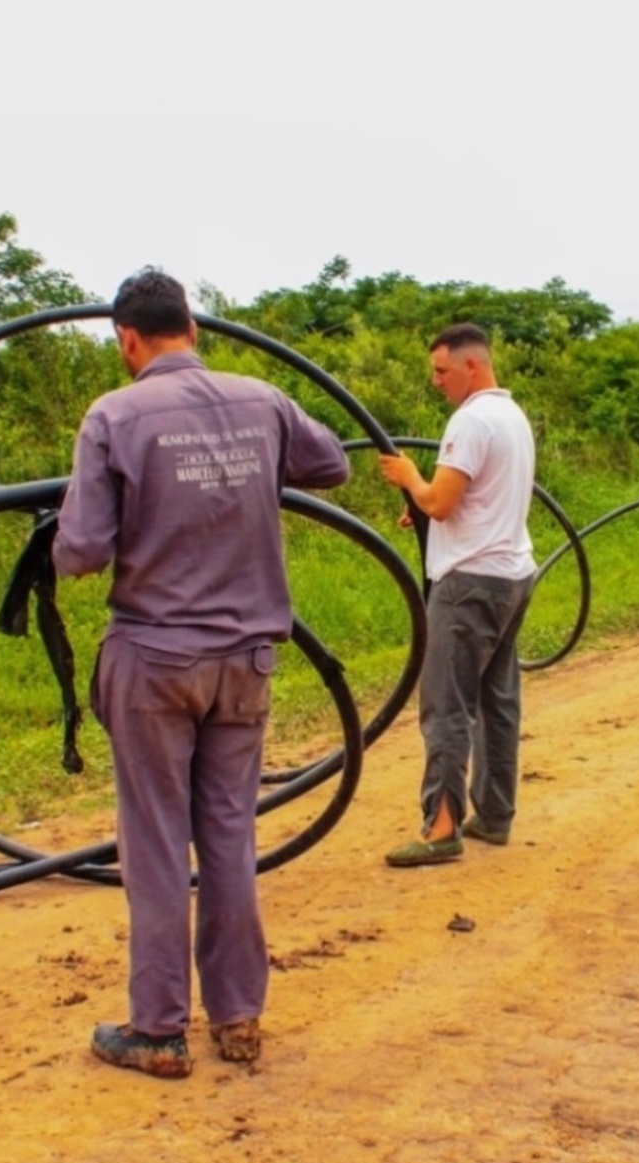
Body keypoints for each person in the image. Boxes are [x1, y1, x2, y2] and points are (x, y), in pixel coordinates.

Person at [52, 269, 351, 1078]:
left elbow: (80, 550)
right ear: (193, 326)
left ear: (127, 338)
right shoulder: (261, 399)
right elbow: (334, 469)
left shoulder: (114, 414)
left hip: (154, 660)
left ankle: (157, 1030)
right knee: (228, 835)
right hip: (246, 662)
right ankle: (239, 1018)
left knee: (153, 846)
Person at [377, 323, 539, 867]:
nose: (436, 381)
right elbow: (472, 499)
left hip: (468, 583)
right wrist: (423, 504)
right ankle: (493, 814)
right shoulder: (511, 416)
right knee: (497, 699)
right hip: (511, 574)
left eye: (442, 371)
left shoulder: (470, 420)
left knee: (446, 706)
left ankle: (441, 827)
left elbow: (442, 502)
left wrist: (410, 477)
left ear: (473, 365)